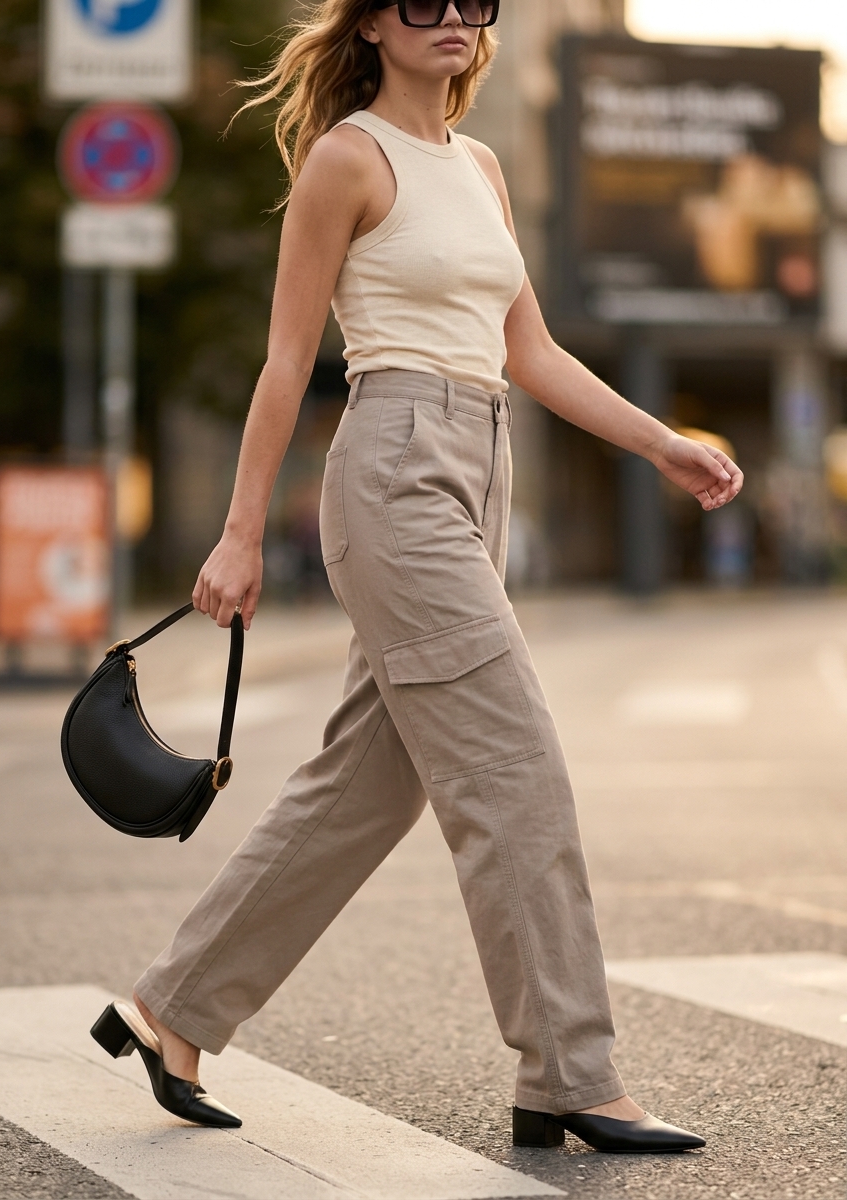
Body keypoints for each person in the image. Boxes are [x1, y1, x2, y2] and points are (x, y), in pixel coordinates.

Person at [90, 0, 742, 1153]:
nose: (451, 16)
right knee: (515, 770)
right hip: (391, 474)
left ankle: (170, 1013)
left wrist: (659, 442)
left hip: (475, 471)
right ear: (374, 25)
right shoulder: (348, 158)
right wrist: (240, 532)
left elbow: (525, 349)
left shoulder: (480, 166)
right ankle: (570, 1074)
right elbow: (288, 361)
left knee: (365, 787)